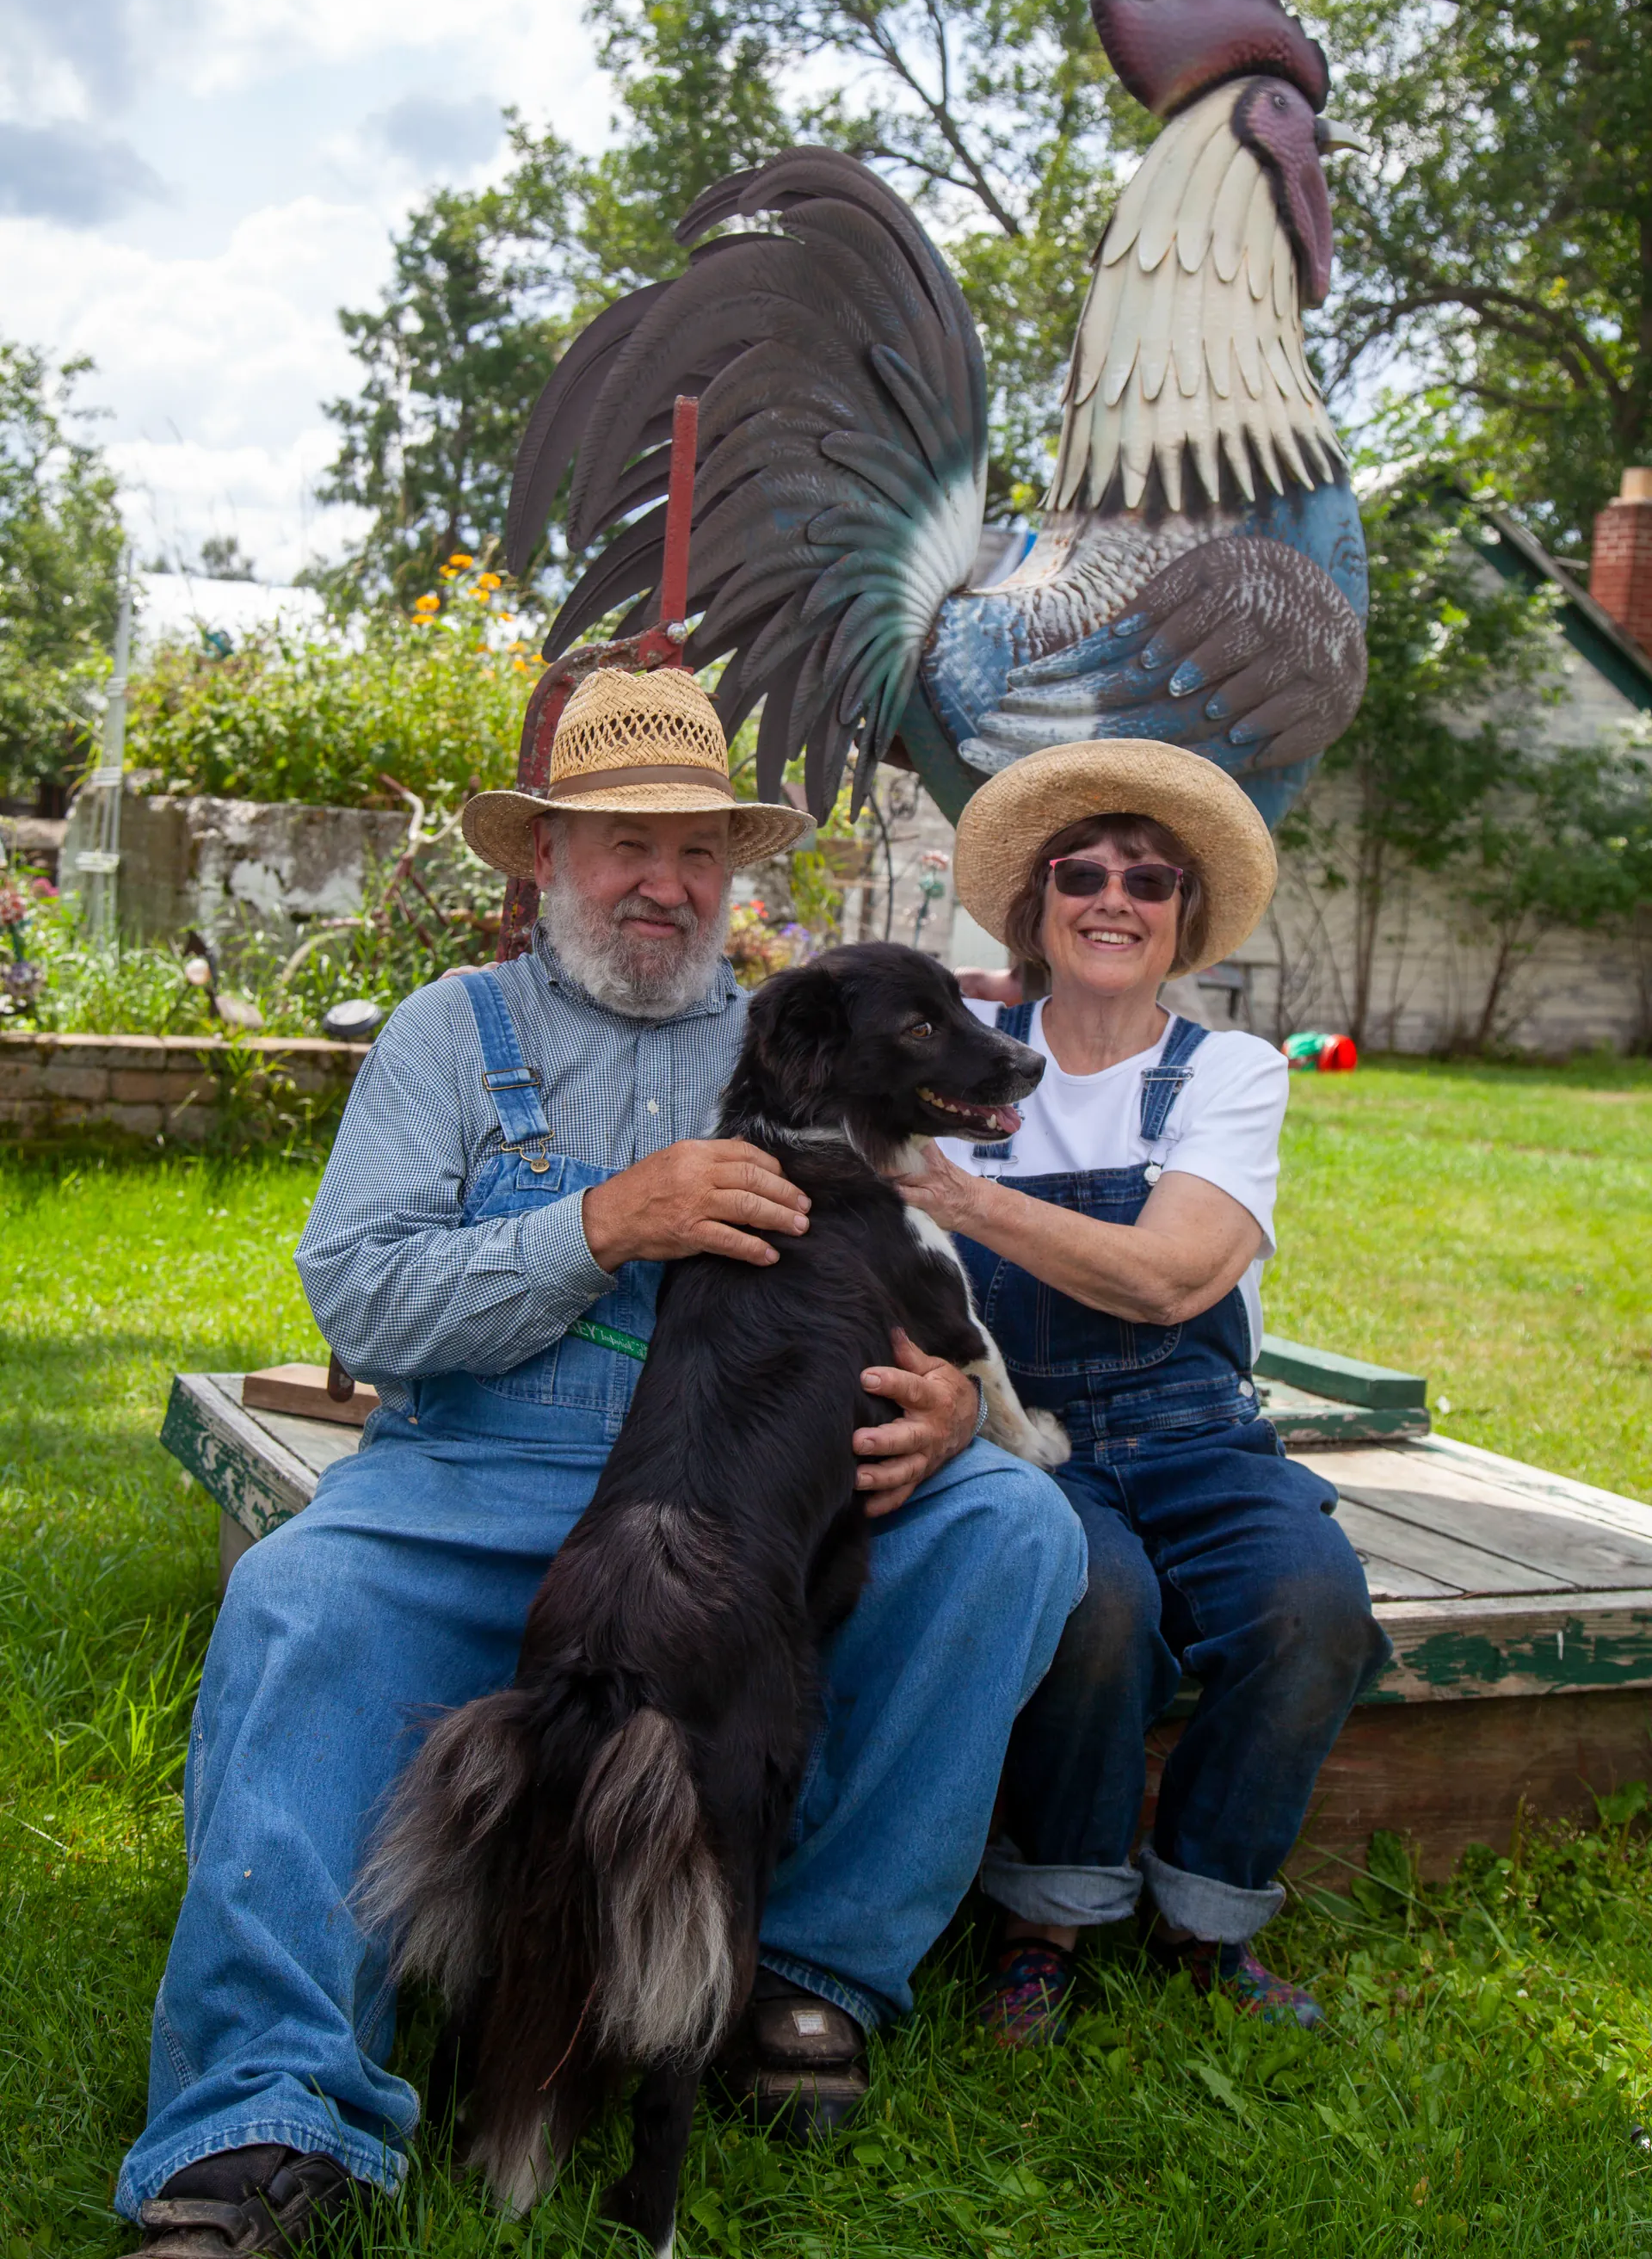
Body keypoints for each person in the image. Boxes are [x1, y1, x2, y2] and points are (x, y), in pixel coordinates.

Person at [115, 666, 1086, 2259]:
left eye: (700, 851)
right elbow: (356, 1294)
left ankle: (798, 1975)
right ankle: (266, 2114)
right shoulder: (451, 1035)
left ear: (732, 874)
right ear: (547, 859)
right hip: (478, 1472)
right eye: (624, 846)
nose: (666, 883)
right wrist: (594, 1227)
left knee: (1017, 1536)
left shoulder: (803, 1033)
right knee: (298, 1597)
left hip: (759, 1482)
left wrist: (954, 1412)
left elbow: (915, 1271)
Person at [896, 738, 1390, 2041]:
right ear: (1038, 903)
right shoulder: (957, 1042)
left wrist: (956, 1192)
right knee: (1098, 1603)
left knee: (1311, 1603)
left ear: (1184, 919)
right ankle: (1043, 1927)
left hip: (1193, 1427)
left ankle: (1207, 1919)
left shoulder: (1229, 1075)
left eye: (1151, 881)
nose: (1115, 898)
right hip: (1015, 1423)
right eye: (1083, 873)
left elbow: (1174, 1279)